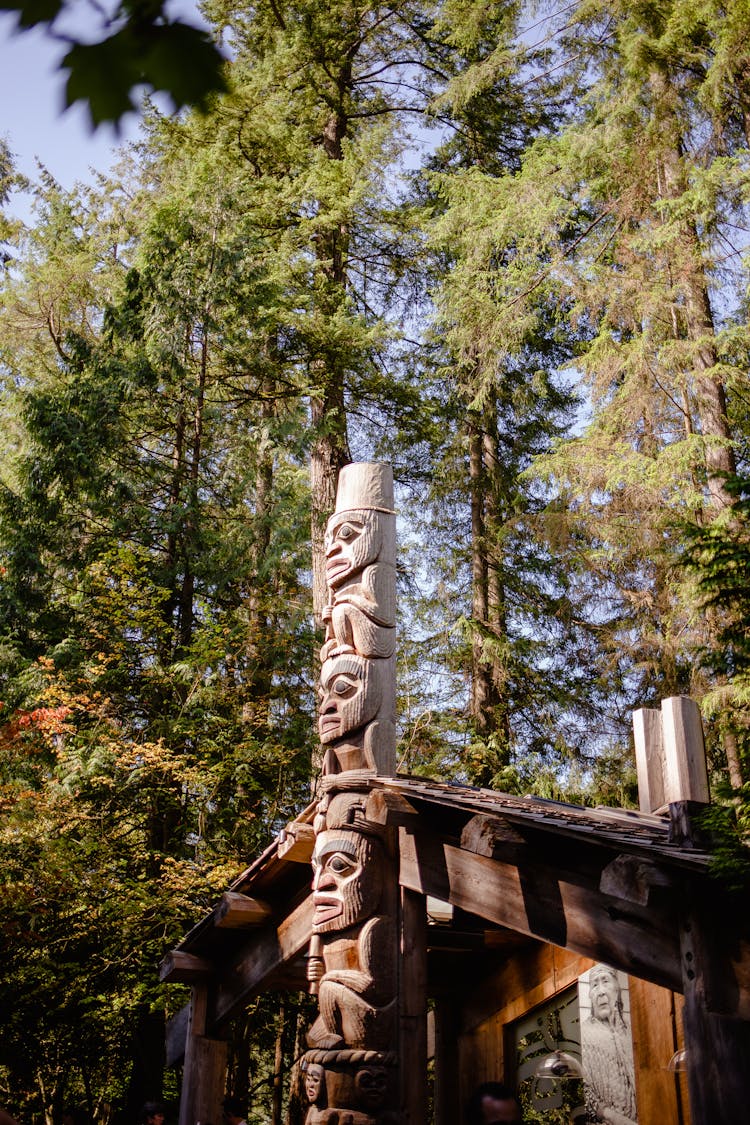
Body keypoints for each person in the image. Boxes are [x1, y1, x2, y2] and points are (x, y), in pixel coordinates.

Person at [580, 964, 638, 1125]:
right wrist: (612, 1117)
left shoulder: (632, 1032)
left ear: (617, 990)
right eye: (595, 985)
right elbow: (581, 1090)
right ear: (590, 995)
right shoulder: (584, 1034)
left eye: (605, 981)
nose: (601, 991)